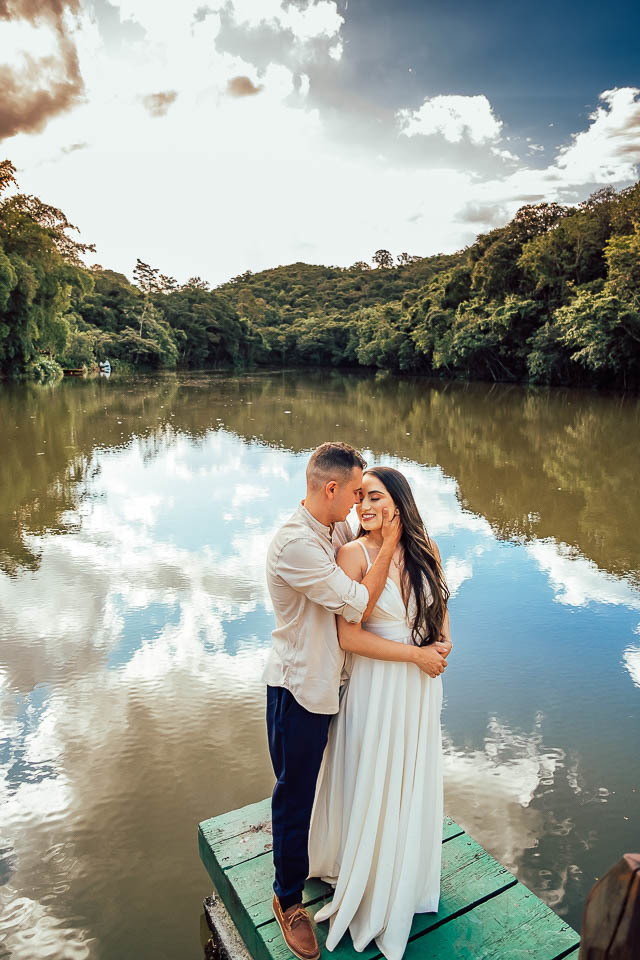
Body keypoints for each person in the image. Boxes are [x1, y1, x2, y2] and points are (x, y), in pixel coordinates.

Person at [264, 444, 448, 960]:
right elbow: (357, 605)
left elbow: (421, 581)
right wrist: (387, 543)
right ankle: (287, 901)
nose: (358, 504)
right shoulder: (296, 545)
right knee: (294, 793)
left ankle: (365, 858)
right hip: (299, 687)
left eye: (370, 495)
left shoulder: (338, 530)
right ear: (332, 490)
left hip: (340, 685)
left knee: (338, 779)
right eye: (354, 492)